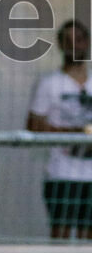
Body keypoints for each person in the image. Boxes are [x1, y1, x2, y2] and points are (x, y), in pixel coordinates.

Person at [26, 19, 92, 239]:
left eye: (80, 40)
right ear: (61, 45)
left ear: (88, 43)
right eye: (69, 41)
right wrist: (77, 135)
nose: (75, 45)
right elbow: (34, 125)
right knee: (61, 233)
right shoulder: (50, 83)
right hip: (61, 173)